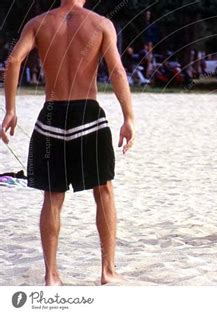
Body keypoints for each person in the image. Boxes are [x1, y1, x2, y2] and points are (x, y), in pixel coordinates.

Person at [1, 0, 135, 285]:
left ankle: (51, 276)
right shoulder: (100, 23)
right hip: (88, 115)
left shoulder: (38, 23)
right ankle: (107, 271)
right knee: (104, 192)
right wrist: (128, 117)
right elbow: (117, 71)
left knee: (52, 196)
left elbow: (13, 61)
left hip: (51, 116)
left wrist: (10, 110)